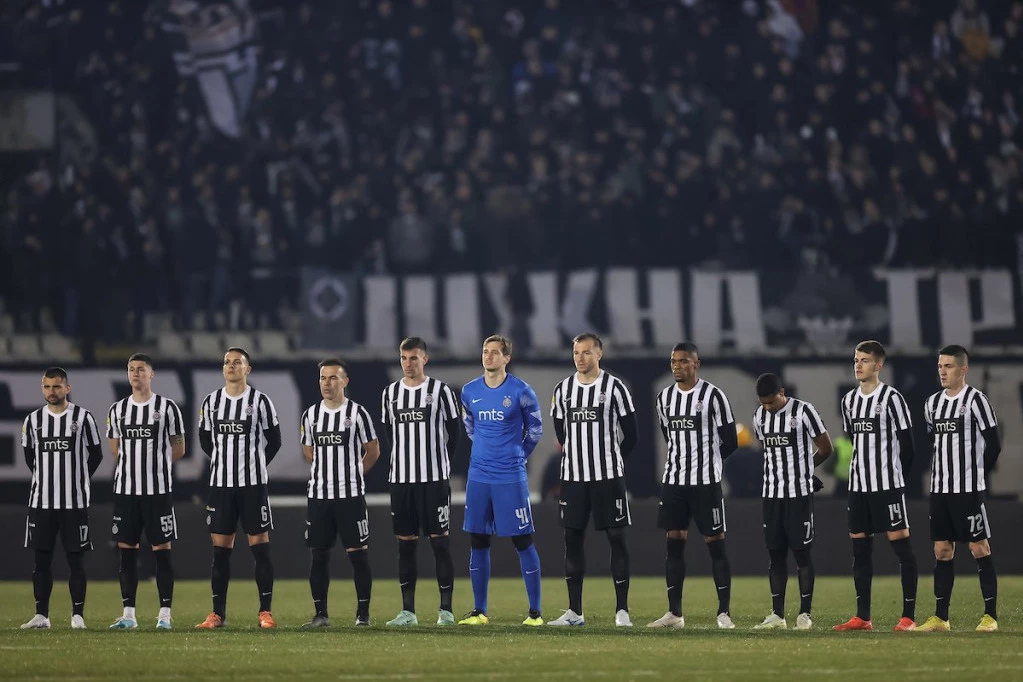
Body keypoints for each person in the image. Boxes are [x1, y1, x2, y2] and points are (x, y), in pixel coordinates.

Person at [547, 333, 638, 627]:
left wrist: (612, 459)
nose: (580, 358)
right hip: (573, 478)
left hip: (608, 477)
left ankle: (622, 610)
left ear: (599, 354)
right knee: (572, 540)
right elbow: (561, 432)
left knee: (617, 539)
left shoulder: (615, 388)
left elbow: (632, 434)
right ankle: (574, 612)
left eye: (586, 352)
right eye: (576, 352)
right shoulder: (563, 390)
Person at [648, 342, 739, 629]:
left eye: (683, 361)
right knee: (673, 545)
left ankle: (724, 613)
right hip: (674, 482)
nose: (677, 366)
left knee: (716, 545)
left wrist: (708, 460)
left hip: (705, 483)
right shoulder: (664, 398)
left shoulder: (714, 396)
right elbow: (669, 436)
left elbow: (730, 441)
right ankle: (674, 613)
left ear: (696, 364)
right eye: (674, 361)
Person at [458, 335, 544, 626]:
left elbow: (535, 430)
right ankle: (479, 611)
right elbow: (470, 427)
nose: (488, 356)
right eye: (485, 351)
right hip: (479, 476)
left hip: (510, 476)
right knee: (478, 540)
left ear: (507, 358)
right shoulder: (469, 391)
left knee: (522, 540)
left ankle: (535, 613)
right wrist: (487, 452)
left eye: (495, 352)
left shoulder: (521, 391)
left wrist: (517, 455)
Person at [833, 340, 919, 632]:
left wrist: (896, 479)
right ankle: (863, 617)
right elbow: (853, 438)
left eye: (865, 360)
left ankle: (908, 617)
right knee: (860, 550)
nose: (858, 365)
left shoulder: (892, 398)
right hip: (858, 487)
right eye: (856, 360)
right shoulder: (849, 401)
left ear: (878, 365)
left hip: (887, 486)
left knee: (901, 548)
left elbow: (908, 446)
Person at [195, 347, 282, 629]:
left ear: (248, 369)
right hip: (221, 486)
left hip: (253, 486)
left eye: (237, 362)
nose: (231, 366)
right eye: (227, 362)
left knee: (260, 548)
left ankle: (265, 612)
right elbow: (205, 439)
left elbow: (275, 440)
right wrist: (224, 461)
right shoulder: (211, 402)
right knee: (220, 552)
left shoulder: (260, 402)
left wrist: (255, 463)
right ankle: (217, 614)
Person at [917, 345, 1001, 632]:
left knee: (979, 547)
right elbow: (933, 442)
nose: (942, 371)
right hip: (940, 489)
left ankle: (990, 616)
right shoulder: (932, 404)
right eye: (940, 366)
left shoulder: (977, 400)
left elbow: (994, 444)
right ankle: (941, 618)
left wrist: (977, 476)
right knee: (942, 550)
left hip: (968, 489)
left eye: (948, 366)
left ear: (963, 369)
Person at [381, 338, 460, 627]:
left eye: (413, 358)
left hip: (434, 480)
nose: (408, 363)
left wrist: (441, 463)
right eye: (403, 358)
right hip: (402, 481)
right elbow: (390, 434)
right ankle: (408, 612)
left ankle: (446, 610)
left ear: (424, 359)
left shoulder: (440, 391)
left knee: (440, 544)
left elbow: (454, 432)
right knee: (406, 546)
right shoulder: (390, 393)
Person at [106, 353, 186, 630]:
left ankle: (164, 614)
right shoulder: (118, 409)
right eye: (131, 369)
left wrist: (155, 466)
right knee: (127, 553)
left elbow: (179, 448)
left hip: (158, 491)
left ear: (151, 374)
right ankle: (128, 614)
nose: (135, 373)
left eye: (141, 369)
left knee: (162, 552)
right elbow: (115, 448)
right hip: (126, 491)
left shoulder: (168, 408)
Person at [21, 367, 103, 630]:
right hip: (41, 502)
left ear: (67, 388)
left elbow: (96, 454)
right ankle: (41, 615)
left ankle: (77, 615)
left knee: (75, 560)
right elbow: (30, 457)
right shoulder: (33, 420)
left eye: (56, 386)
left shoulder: (83, 417)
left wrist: (78, 478)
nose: (51, 391)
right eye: (47, 386)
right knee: (41, 561)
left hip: (73, 503)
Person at [750, 373, 833, 631]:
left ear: (782, 393)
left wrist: (806, 470)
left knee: (801, 554)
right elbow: (768, 451)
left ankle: (804, 614)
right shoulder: (759, 416)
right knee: (775, 555)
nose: (768, 407)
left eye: (772, 402)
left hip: (798, 496)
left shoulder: (804, 411)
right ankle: (777, 615)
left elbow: (826, 448)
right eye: (764, 403)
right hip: (771, 495)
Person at [300, 359, 380, 628]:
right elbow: (308, 450)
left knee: (358, 555)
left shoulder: (357, 413)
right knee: (319, 556)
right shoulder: (311, 415)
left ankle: (363, 614)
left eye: (333, 377)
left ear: (345, 381)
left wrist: (354, 474)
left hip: (350, 496)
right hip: (319, 496)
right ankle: (321, 614)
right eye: (323, 378)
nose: (327, 383)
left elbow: (373, 450)